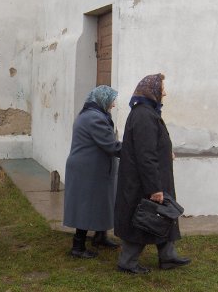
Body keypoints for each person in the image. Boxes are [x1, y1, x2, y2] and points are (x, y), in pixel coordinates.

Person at [114, 73, 191, 274]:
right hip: (143, 181)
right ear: (152, 90)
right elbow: (145, 155)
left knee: (163, 214)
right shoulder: (144, 115)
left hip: (154, 176)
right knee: (143, 217)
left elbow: (151, 145)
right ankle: (127, 262)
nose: (164, 92)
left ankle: (168, 256)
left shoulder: (148, 112)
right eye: (162, 87)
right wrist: (154, 188)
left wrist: (166, 151)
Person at [63, 85, 122, 259]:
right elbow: (111, 145)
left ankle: (100, 236)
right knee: (85, 205)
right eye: (112, 101)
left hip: (94, 167)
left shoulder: (94, 114)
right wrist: (136, 150)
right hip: (86, 170)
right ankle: (78, 246)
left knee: (102, 201)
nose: (113, 105)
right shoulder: (94, 118)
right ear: (103, 100)